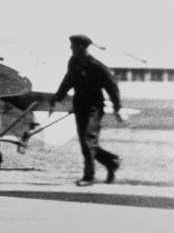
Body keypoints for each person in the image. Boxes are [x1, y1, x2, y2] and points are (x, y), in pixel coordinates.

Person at [52, 34, 122, 186]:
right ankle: (110, 161)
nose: (71, 48)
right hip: (79, 105)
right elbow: (69, 78)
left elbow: (112, 87)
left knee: (88, 139)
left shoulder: (97, 66)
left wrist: (117, 108)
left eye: (74, 46)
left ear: (82, 47)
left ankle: (89, 176)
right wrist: (58, 96)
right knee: (86, 142)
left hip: (94, 106)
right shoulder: (73, 61)